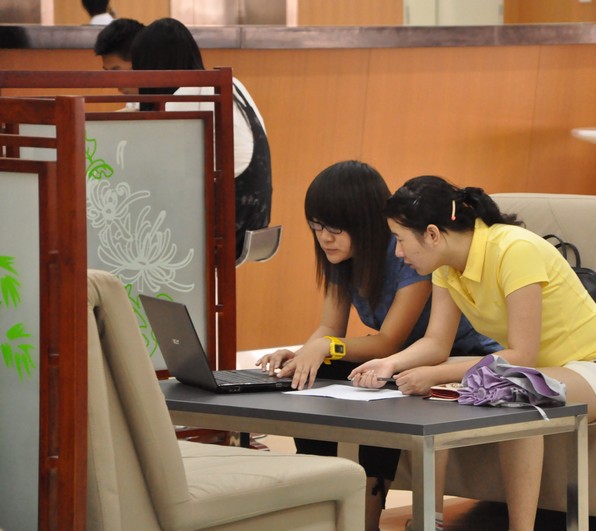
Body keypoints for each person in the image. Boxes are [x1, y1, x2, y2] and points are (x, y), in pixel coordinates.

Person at [349, 175, 596, 530]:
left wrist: (436, 374)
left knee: (516, 391)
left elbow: (522, 357)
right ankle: (429, 520)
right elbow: (436, 343)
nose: (398, 252)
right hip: (538, 369)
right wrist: (389, 363)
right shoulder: (446, 267)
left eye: (400, 239)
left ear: (433, 234)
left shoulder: (515, 250)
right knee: (440, 389)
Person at [255, 161, 501, 531]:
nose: (325, 239)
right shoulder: (341, 258)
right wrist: (302, 355)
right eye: (316, 228)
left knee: (380, 390)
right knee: (312, 376)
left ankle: (368, 518)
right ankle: (320, 505)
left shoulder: (408, 254)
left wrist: (326, 347)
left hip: (456, 353)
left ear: (366, 222)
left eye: (335, 228)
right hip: (402, 356)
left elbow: (389, 340)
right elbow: (330, 327)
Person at [130, 18, 272, 259]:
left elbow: (159, 173)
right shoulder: (230, 85)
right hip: (256, 217)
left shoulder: (187, 96)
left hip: (228, 224)